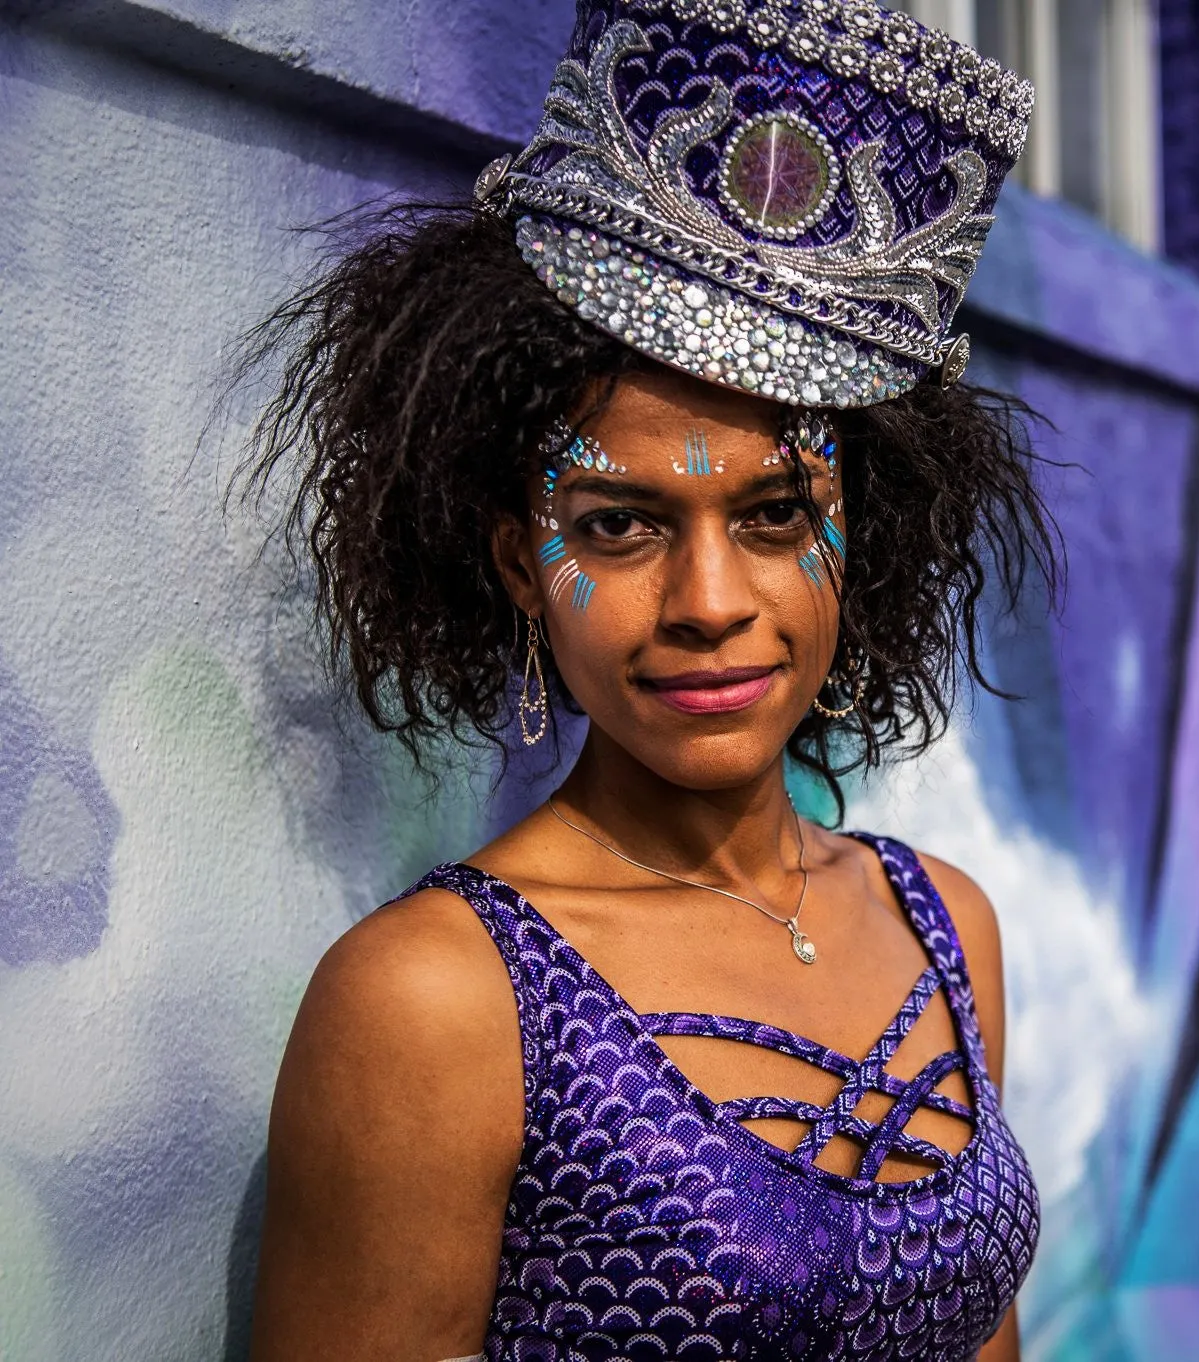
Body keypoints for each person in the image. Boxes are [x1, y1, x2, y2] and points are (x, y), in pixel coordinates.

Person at [242, 4, 1055, 1359]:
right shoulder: (436, 999)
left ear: (866, 542)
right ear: (516, 559)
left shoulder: (946, 928)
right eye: (617, 524)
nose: (712, 604)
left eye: (779, 516)